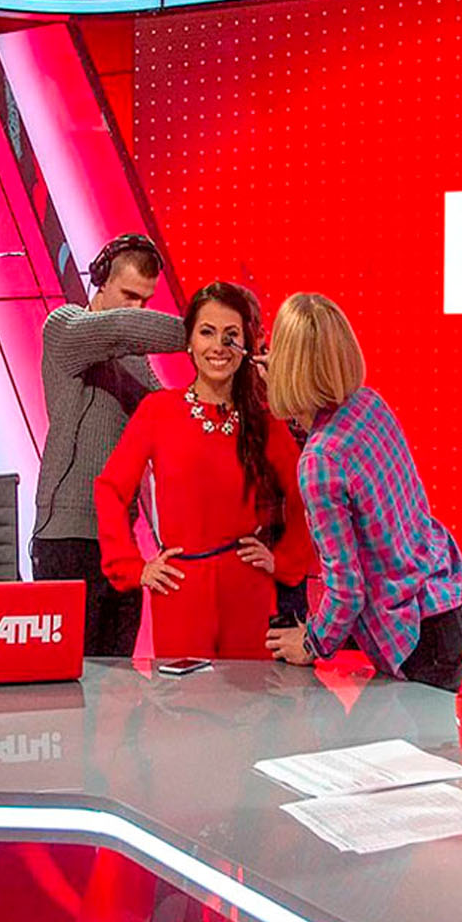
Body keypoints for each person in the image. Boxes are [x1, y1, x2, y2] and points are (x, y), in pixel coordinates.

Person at [261, 293, 462, 691]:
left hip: (415, 638)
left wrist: (311, 643)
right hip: (449, 609)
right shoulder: (369, 404)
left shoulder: (319, 462)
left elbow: (347, 590)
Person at [94, 282, 315, 659]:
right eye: (207, 332)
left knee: (253, 695)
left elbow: (305, 492)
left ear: (245, 346)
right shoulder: (158, 411)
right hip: (178, 590)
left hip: (248, 590)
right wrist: (132, 567)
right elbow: (110, 488)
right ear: (190, 342)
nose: (218, 346)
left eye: (231, 336)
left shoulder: (262, 419)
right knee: (181, 696)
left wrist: (284, 561)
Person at [31, 233, 186, 657]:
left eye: (145, 300)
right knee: (68, 674)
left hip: (119, 541)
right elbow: (120, 327)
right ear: (100, 281)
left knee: (118, 681)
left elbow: (168, 416)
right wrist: (206, 331)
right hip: (67, 539)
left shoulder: (134, 359)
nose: (138, 308)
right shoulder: (63, 326)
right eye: (129, 295)